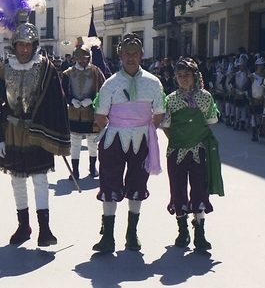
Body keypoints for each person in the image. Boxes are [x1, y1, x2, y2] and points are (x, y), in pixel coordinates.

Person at [0, 10, 70, 247]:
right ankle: (23, 226)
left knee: (40, 179)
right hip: (12, 132)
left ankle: (45, 229)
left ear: (35, 45)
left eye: (28, 45)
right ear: (15, 45)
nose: (24, 50)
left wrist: (55, 134)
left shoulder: (46, 68)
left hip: (38, 132)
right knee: (17, 180)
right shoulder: (4, 69)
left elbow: (57, 103)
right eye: (20, 44)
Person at [92, 33, 165, 253]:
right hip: (114, 140)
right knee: (110, 184)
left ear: (142, 55)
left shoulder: (153, 82)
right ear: (120, 56)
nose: (131, 57)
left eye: (135, 53)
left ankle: (132, 234)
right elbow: (100, 115)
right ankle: (108, 237)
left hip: (141, 140)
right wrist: (118, 127)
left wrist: (141, 127)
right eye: (127, 54)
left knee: (137, 184)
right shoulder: (110, 83)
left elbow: (159, 113)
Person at [161, 57, 223, 251]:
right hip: (177, 152)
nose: (183, 79)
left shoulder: (205, 97)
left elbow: (211, 121)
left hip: (199, 151)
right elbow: (166, 126)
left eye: (187, 75)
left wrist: (194, 136)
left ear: (195, 76)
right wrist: (180, 140)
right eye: (179, 76)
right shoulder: (170, 100)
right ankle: (182, 230)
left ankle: (200, 233)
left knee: (199, 190)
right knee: (177, 190)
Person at [62, 37, 106, 179]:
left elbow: (103, 91)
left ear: (89, 58)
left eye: (85, 58)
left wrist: (92, 100)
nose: (82, 61)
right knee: (75, 143)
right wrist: (71, 100)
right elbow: (63, 92)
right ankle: (75, 171)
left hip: (91, 113)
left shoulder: (96, 71)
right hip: (74, 113)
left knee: (93, 142)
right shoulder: (67, 73)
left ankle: (93, 168)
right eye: (79, 58)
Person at [247, 57, 265, 141]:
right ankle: (254, 133)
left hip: (264, 99)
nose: (261, 67)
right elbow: (247, 88)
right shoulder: (252, 76)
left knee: (263, 117)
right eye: (259, 65)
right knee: (255, 118)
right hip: (254, 98)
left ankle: (262, 131)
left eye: (262, 65)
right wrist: (249, 97)